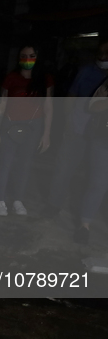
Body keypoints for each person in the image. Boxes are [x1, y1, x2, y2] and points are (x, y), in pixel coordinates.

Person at [43, 38, 108, 219]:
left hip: (101, 136)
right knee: (63, 169)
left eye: (107, 53)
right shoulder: (86, 71)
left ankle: (88, 214)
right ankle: (53, 205)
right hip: (78, 129)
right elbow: (71, 96)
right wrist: (68, 121)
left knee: (97, 178)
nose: (103, 56)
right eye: (100, 52)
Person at [0, 43, 53, 216]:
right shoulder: (11, 78)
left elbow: (48, 107)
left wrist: (47, 134)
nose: (27, 60)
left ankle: (18, 200)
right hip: (10, 125)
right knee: (6, 163)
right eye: (24, 56)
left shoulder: (44, 79)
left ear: (37, 57)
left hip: (34, 126)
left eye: (31, 56)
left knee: (25, 165)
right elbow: (1, 105)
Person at [73, 80, 108, 244]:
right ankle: (84, 227)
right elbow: (92, 106)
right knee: (97, 184)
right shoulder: (105, 85)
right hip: (102, 140)